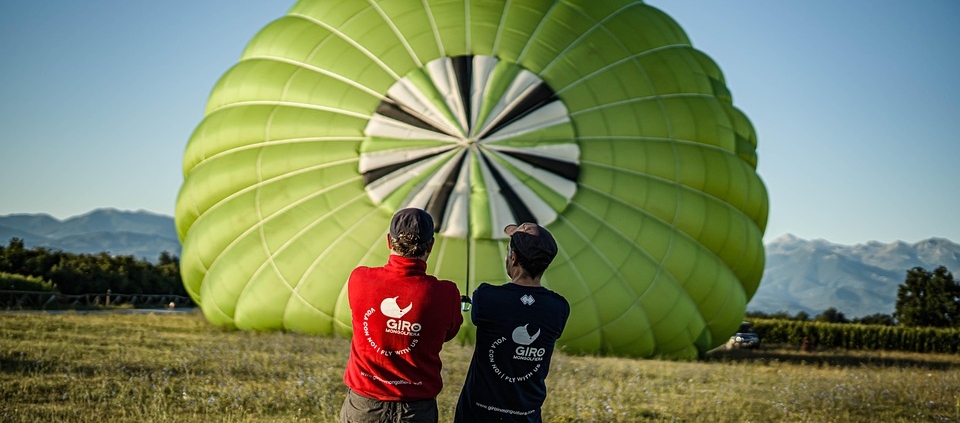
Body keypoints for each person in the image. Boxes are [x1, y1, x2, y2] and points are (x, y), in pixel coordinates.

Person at [340, 208, 464, 423]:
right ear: (431, 245)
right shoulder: (447, 293)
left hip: (364, 406)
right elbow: (448, 333)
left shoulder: (360, 278)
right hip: (416, 410)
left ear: (389, 241)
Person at [454, 223, 570, 422]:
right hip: (525, 417)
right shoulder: (558, 308)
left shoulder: (487, 297)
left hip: (477, 415)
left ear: (513, 258)